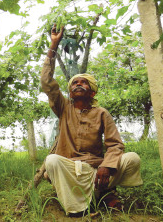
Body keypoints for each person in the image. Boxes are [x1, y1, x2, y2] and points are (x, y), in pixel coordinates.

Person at [41, 25, 143, 216]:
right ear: (70, 93)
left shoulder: (101, 113)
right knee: (52, 161)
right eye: (75, 84)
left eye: (84, 82)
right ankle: (82, 207)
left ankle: (102, 191)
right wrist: (54, 44)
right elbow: (47, 83)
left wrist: (106, 165)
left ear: (92, 92)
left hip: (97, 170)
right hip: (72, 170)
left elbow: (115, 145)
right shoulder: (63, 108)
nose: (79, 85)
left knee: (132, 159)